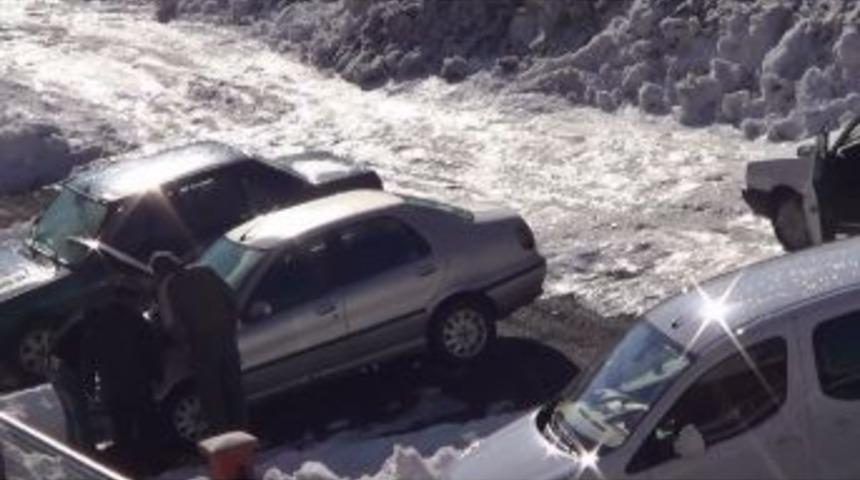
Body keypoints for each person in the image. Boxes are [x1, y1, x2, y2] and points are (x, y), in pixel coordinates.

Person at [150, 251, 247, 437]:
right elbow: (231, 299)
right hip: (226, 340)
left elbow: (171, 325)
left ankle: (224, 440)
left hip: (201, 347)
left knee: (213, 398)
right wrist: (229, 328)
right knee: (234, 391)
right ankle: (243, 435)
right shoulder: (206, 271)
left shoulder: (168, 286)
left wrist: (186, 348)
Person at [84, 288, 162, 468]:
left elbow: (88, 357)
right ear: (128, 299)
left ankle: (127, 466)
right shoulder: (136, 321)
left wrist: (89, 383)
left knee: (121, 429)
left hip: (112, 387)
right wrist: (157, 374)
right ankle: (151, 463)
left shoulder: (99, 324)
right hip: (138, 384)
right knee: (146, 425)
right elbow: (151, 350)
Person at [47, 312, 96, 452]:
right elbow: (87, 362)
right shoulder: (90, 329)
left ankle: (73, 448)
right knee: (80, 415)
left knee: (71, 414)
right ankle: (87, 452)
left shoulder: (78, 321)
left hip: (54, 365)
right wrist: (90, 388)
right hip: (66, 369)